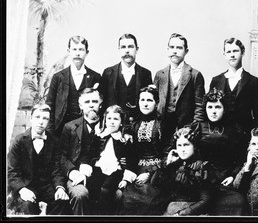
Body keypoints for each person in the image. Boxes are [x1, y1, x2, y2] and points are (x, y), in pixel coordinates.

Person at [7, 104, 70, 215]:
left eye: (45, 118)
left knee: (61, 200)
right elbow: (12, 171)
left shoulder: (54, 141)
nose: (41, 122)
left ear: (48, 121)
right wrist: (22, 189)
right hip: (27, 185)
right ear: (31, 119)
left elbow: (57, 169)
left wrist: (60, 188)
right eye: (37, 117)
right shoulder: (19, 141)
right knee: (27, 204)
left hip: (47, 186)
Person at [118, 85, 166, 215]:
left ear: (156, 103)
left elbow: (167, 154)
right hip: (137, 169)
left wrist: (150, 173)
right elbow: (132, 155)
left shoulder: (164, 123)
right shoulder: (134, 124)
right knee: (127, 200)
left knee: (149, 200)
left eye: (149, 100)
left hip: (159, 172)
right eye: (142, 100)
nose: (145, 104)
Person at [154, 33, 205, 153]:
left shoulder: (195, 75)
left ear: (186, 51)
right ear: (167, 50)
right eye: (172, 47)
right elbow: (155, 102)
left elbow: (200, 106)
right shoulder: (159, 75)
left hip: (186, 128)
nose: (175, 51)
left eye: (179, 48)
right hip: (164, 127)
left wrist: (192, 129)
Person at [199, 88, 247, 215]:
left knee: (238, 201)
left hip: (226, 178)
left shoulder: (234, 130)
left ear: (224, 109)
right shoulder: (198, 127)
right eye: (210, 107)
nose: (213, 111)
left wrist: (233, 176)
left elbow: (241, 158)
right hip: (204, 178)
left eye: (217, 107)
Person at [46, 35, 103, 137]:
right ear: (69, 51)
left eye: (81, 50)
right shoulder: (58, 77)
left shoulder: (95, 77)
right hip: (61, 130)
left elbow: (100, 105)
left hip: (86, 130)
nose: (77, 53)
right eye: (74, 49)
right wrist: (51, 135)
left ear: (87, 52)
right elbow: (49, 106)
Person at [209, 37, 258, 142]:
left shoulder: (253, 81)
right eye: (229, 52)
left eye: (235, 51)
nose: (232, 55)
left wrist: (257, 138)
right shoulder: (216, 81)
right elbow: (210, 110)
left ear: (242, 53)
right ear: (224, 55)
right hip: (221, 136)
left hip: (244, 136)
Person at [149, 126, 212, 216]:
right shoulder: (174, 164)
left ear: (194, 146)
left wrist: (182, 214)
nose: (182, 149)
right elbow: (154, 183)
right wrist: (167, 164)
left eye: (186, 145)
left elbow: (206, 200)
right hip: (172, 208)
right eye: (179, 145)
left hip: (193, 211)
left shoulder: (201, 167)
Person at [60, 88, 103, 215]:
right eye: (87, 102)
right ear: (80, 106)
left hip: (101, 176)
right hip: (77, 174)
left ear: (100, 104)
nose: (91, 105)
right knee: (80, 194)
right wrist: (72, 171)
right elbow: (62, 156)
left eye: (95, 101)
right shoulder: (70, 127)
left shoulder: (109, 125)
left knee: (115, 195)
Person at [86, 105, 136, 215]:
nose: (112, 122)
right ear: (105, 120)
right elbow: (91, 154)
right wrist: (92, 164)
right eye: (109, 119)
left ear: (121, 122)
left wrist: (126, 179)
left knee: (106, 189)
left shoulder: (125, 139)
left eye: (116, 119)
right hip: (100, 168)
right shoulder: (99, 136)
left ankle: (105, 215)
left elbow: (131, 161)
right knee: (93, 187)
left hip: (116, 170)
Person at [102, 33, 152, 127]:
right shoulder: (108, 73)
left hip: (138, 125)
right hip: (114, 126)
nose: (127, 51)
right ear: (119, 50)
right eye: (123, 47)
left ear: (137, 49)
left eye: (130, 47)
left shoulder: (145, 73)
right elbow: (103, 103)